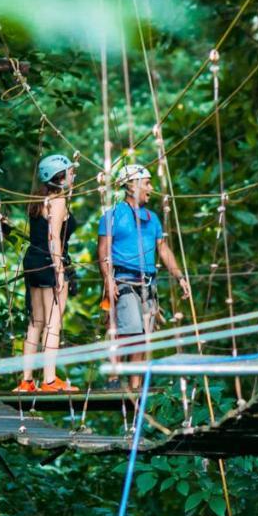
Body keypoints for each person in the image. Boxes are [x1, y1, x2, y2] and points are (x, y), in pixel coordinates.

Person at [97, 164, 190, 388]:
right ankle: (114, 379)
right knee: (128, 330)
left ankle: (135, 385)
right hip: (123, 280)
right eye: (147, 183)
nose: (151, 188)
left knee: (143, 336)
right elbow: (103, 250)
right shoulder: (113, 216)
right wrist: (108, 279)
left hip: (148, 283)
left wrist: (180, 276)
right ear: (132, 186)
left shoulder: (152, 218)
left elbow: (163, 249)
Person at [15, 154, 79, 392]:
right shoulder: (58, 200)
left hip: (33, 262)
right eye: (71, 172)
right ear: (59, 177)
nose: (74, 176)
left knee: (36, 323)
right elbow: (54, 238)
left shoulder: (38, 200)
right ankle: (50, 380)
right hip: (49, 264)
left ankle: (27, 380)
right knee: (53, 324)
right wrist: (60, 270)